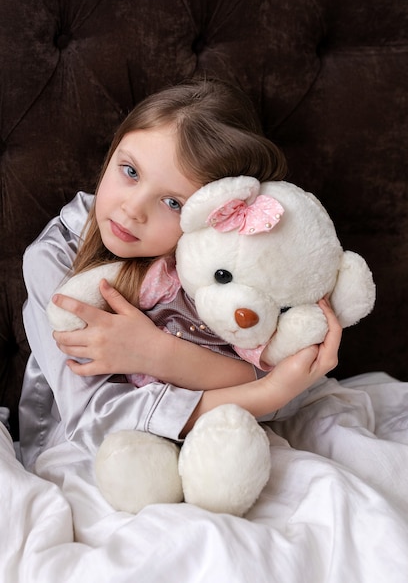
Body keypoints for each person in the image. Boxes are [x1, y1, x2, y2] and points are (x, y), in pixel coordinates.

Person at [19, 78, 341, 470]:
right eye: (130, 171)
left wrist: (157, 353)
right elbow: (92, 419)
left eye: (173, 202)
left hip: (217, 441)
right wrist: (266, 392)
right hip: (90, 453)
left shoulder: (222, 258)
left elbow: (286, 378)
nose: (133, 209)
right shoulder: (54, 257)